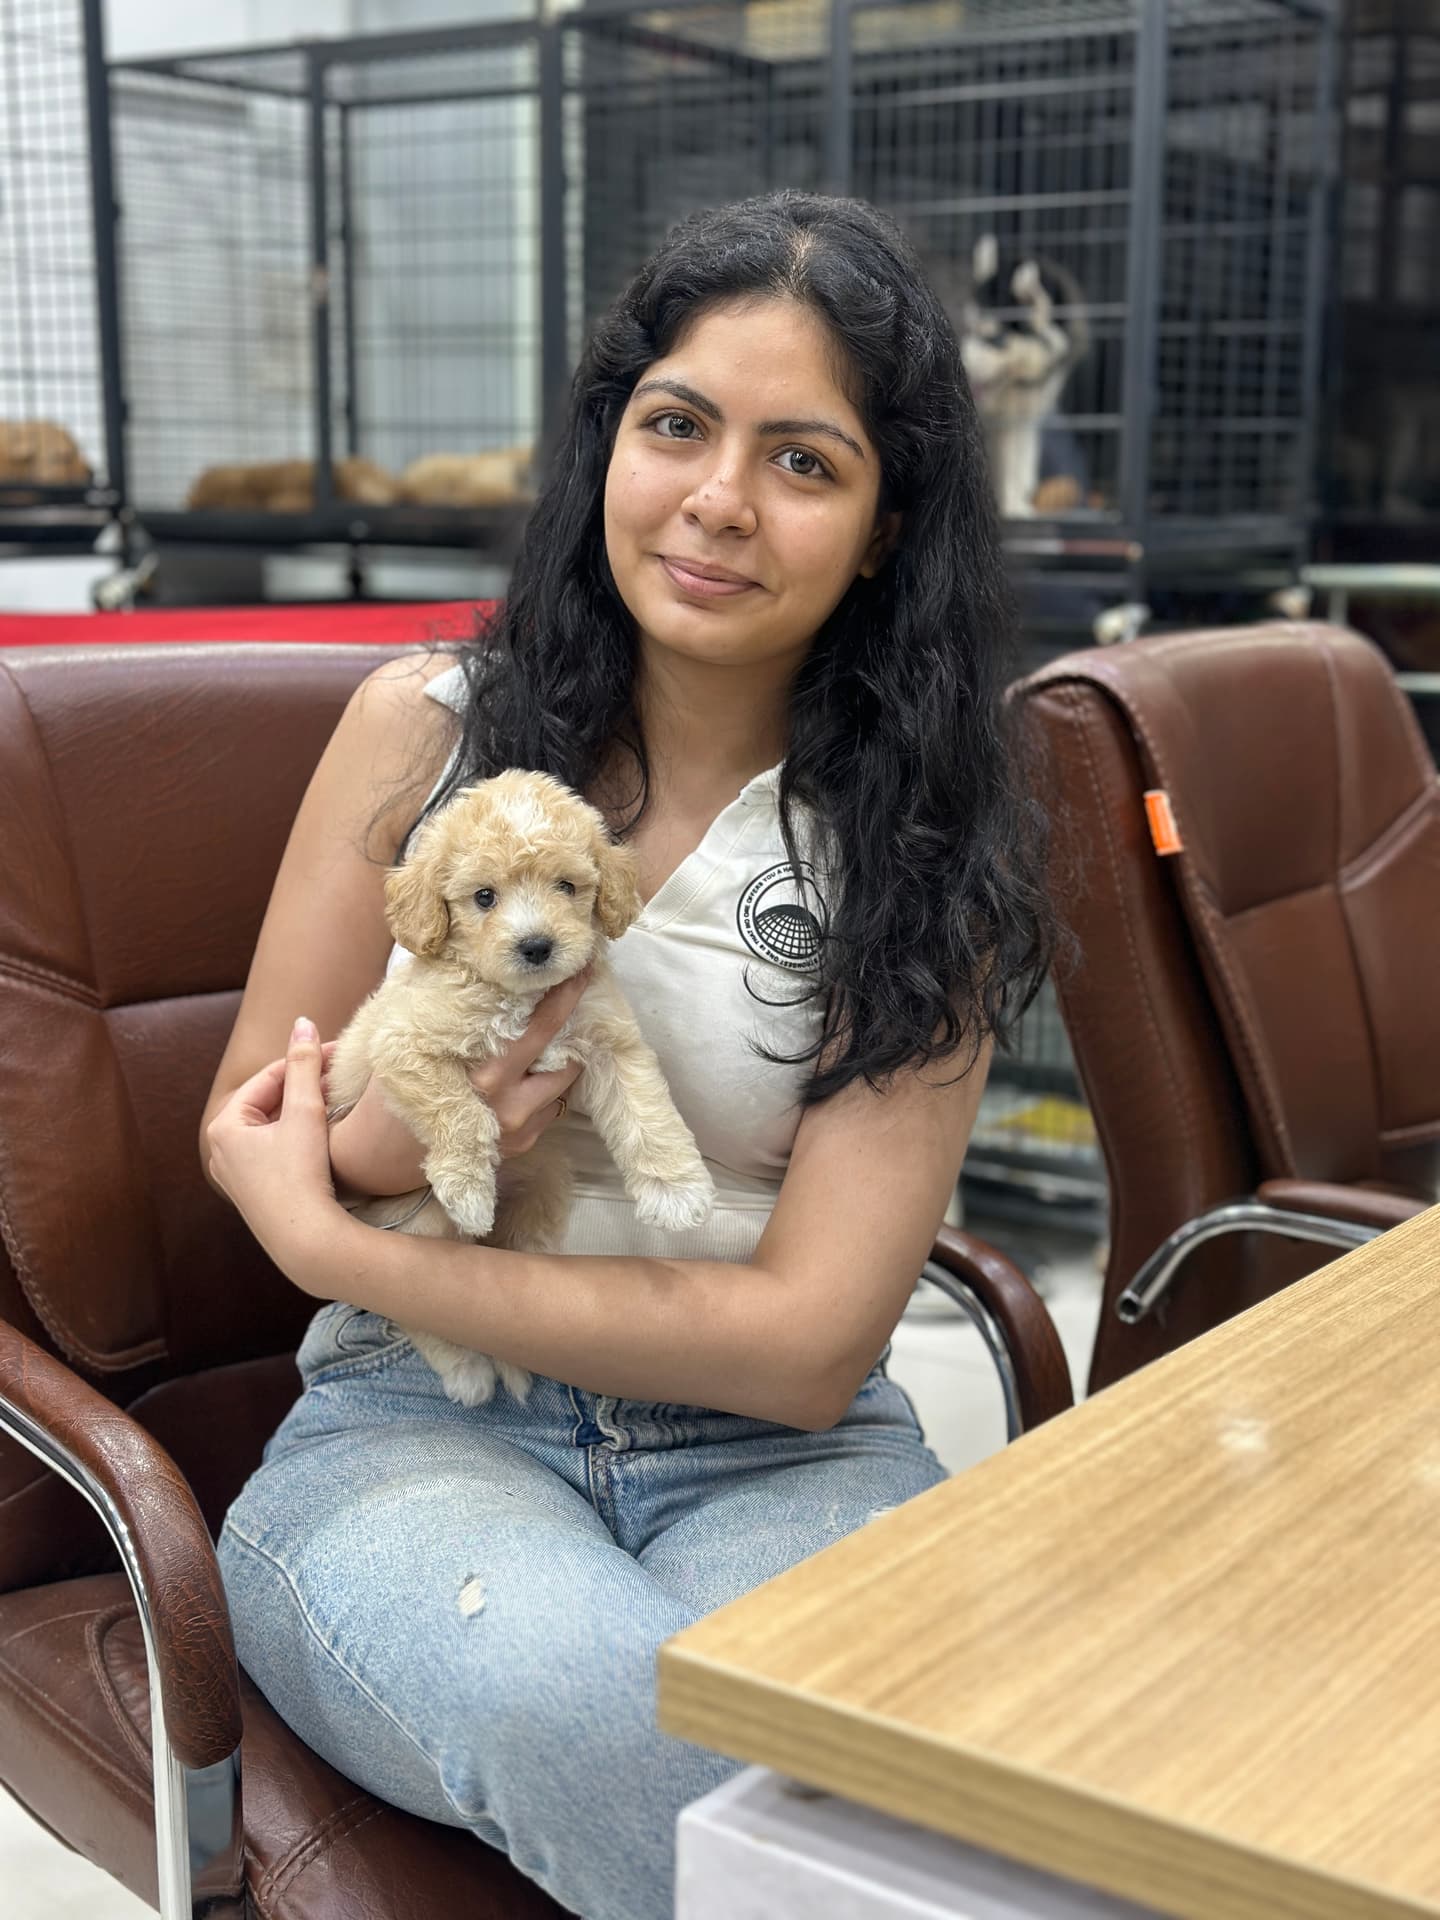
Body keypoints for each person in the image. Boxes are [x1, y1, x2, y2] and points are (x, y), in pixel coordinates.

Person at [201, 188, 1050, 1920]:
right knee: (622, 1726)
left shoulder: (921, 845)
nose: (719, 502)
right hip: (414, 1428)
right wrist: (356, 1206)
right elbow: (256, 1115)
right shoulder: (419, 735)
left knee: (947, 1769)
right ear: (612, 442)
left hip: (778, 1451)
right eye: (677, 426)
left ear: (888, 525)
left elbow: (812, 1347)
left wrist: (332, 1244)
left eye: (805, 461)